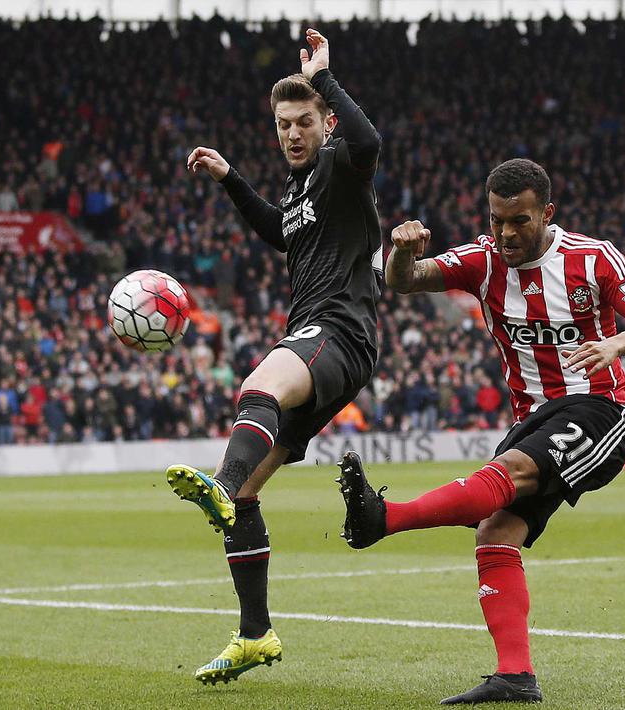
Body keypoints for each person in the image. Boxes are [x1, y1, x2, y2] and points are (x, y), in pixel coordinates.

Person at [339, 158, 625, 705]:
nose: (507, 233)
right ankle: (515, 675)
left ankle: (385, 519)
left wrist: (614, 345)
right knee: (495, 533)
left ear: (547, 212)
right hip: (531, 419)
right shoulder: (483, 260)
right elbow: (403, 283)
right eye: (497, 220)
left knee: (510, 471)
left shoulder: (593, 258)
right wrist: (400, 250)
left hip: (598, 407)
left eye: (519, 220)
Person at [167, 27, 382, 685]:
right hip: (320, 335)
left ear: (324, 122)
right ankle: (254, 634)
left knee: (257, 383)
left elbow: (369, 141)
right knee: (256, 491)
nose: (291, 132)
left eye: (303, 121)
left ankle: (221, 487)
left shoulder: (340, 165)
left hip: (338, 330)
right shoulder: (298, 191)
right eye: (283, 124)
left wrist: (322, 78)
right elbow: (278, 235)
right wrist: (232, 179)